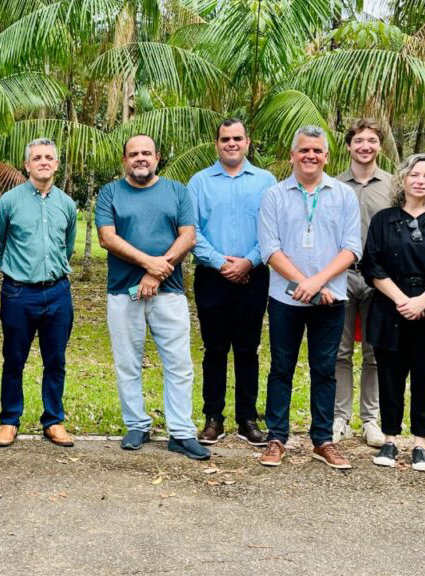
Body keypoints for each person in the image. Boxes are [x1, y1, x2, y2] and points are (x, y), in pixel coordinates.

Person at [96, 134, 210, 461]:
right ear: (125, 160)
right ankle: (136, 424)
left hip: (169, 292)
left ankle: (181, 432)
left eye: (147, 152)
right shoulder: (110, 193)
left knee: (178, 363)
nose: (140, 158)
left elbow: (188, 235)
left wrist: (157, 271)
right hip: (122, 292)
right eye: (134, 154)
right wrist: (148, 263)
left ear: (157, 157)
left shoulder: (176, 190)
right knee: (127, 361)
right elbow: (107, 237)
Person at [257, 125, 361, 469]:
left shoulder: (344, 195)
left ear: (327, 156)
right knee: (281, 368)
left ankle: (323, 440)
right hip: (285, 299)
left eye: (317, 150)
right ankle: (276, 437)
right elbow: (270, 249)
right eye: (304, 150)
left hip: (331, 299)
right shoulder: (274, 195)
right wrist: (303, 282)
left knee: (325, 369)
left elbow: (351, 248)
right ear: (293, 155)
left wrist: (317, 282)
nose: (310, 156)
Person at [362, 154, 425, 472]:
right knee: (390, 377)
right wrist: (403, 299)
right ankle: (389, 440)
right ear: (404, 178)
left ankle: (421, 444)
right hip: (390, 309)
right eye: (415, 174)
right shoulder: (383, 220)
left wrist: (424, 300)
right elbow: (372, 265)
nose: (420, 180)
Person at [189, 119, 276, 447]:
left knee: (247, 349)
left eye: (237, 138)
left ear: (247, 142)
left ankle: (247, 418)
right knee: (214, 349)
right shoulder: (199, 182)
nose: (231, 144)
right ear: (217, 144)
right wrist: (219, 262)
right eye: (225, 139)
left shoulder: (266, 181)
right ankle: (213, 417)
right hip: (212, 277)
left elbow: (271, 229)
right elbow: (191, 230)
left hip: (253, 275)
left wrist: (249, 261)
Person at [0, 138, 78, 448]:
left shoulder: (67, 204)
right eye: (37, 157)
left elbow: (67, 245)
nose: (43, 161)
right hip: (18, 294)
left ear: (56, 164)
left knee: (55, 360)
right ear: (27, 164)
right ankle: (9, 420)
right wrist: (15, 271)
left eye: (49, 157)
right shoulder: (9, 202)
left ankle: (53, 420)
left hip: (57, 294)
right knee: (14, 359)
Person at [333, 119, 394, 447]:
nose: (365, 146)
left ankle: (370, 419)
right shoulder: (334, 185)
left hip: (380, 278)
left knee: (374, 352)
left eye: (371, 140)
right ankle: (340, 417)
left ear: (379, 146)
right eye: (359, 141)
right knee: (340, 351)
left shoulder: (393, 185)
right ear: (349, 146)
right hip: (342, 275)